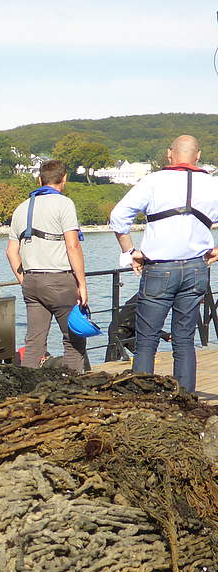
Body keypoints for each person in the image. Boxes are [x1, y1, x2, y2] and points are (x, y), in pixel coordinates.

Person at [109, 134, 218, 393]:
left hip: (159, 269)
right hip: (195, 268)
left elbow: (117, 216)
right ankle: (186, 399)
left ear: (170, 154)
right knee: (184, 340)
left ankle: (143, 403)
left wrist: (131, 252)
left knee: (146, 341)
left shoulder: (153, 181)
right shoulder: (213, 185)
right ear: (198, 155)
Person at [5, 159, 89, 372]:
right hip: (60, 281)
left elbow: (11, 252)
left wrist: (24, 280)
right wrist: (82, 284)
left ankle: (27, 393)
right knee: (73, 339)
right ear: (64, 179)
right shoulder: (64, 204)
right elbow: (73, 245)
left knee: (34, 344)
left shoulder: (21, 208)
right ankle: (71, 390)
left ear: (39, 179)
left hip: (32, 282)